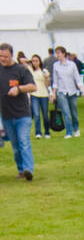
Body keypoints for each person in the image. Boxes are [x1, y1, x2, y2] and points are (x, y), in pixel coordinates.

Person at [0, 41, 36, 179]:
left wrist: (19, 89)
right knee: (15, 146)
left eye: (5, 56)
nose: (3, 59)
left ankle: (28, 169)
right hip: (6, 115)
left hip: (22, 114)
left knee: (24, 142)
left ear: (12, 55)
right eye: (0, 56)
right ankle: (21, 170)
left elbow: (33, 87)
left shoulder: (21, 70)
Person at [51, 44, 84, 138]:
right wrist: (54, 93)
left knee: (74, 112)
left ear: (64, 54)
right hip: (61, 92)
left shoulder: (72, 64)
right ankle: (69, 132)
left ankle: (76, 129)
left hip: (72, 91)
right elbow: (55, 80)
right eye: (56, 53)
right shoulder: (55, 66)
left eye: (59, 53)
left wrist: (82, 89)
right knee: (66, 112)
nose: (57, 55)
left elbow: (77, 78)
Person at [28, 54, 51, 140]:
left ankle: (47, 131)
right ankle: (38, 132)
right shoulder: (30, 70)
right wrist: (29, 61)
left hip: (44, 94)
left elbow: (47, 84)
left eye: (36, 61)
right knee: (36, 115)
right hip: (34, 94)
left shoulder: (44, 71)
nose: (35, 63)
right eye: (33, 61)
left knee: (45, 114)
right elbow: (22, 61)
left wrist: (46, 78)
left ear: (40, 61)